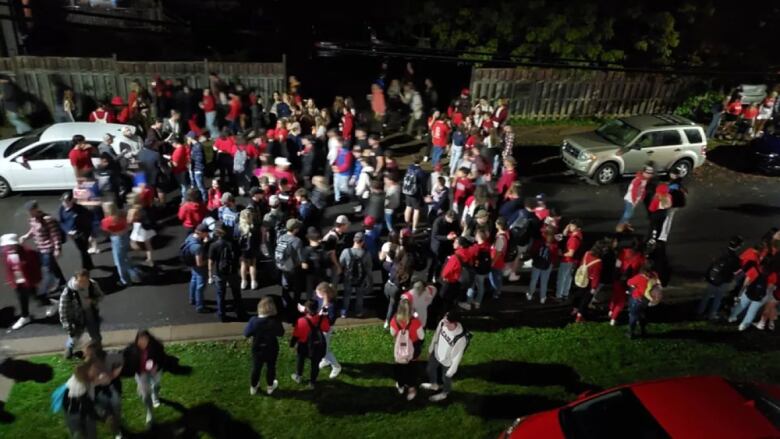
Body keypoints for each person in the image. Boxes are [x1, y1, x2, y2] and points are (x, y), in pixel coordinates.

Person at [1, 233, 50, 330]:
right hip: (18, 281)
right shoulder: (6, 253)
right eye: (6, 246)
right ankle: (25, 316)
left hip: (29, 280)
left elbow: (37, 267)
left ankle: (51, 304)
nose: (8, 247)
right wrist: (11, 280)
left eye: (11, 245)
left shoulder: (29, 252)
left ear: (16, 244)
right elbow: (9, 267)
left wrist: (38, 279)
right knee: (22, 297)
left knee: (36, 296)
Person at [21, 200, 66, 299]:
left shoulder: (47, 219)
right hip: (41, 248)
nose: (29, 213)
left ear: (36, 209)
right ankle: (62, 283)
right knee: (54, 267)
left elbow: (55, 235)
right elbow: (33, 229)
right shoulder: (32, 219)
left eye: (31, 211)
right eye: (28, 211)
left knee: (47, 270)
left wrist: (57, 249)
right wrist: (26, 236)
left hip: (48, 249)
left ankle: (44, 291)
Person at [421, 310, 469, 402]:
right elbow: (436, 335)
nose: (443, 320)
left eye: (446, 320)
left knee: (445, 378)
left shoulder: (460, 339)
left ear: (453, 322)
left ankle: (445, 393)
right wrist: (431, 348)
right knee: (430, 369)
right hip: (436, 353)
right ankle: (434, 385)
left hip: (447, 361)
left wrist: (452, 370)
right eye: (444, 318)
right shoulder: (443, 323)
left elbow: (458, 355)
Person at [123, 330, 165, 425]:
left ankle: (155, 393)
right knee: (145, 395)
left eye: (145, 339)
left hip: (155, 371)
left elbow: (162, 358)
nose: (142, 342)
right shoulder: (132, 349)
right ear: (136, 340)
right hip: (141, 373)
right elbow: (123, 357)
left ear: (149, 339)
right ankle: (150, 412)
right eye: (140, 339)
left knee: (156, 385)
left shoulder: (156, 346)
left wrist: (157, 366)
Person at [59, 269, 104, 359]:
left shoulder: (93, 285)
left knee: (96, 336)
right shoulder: (68, 292)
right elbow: (63, 311)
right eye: (80, 281)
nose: (83, 284)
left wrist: (93, 300)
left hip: (89, 312)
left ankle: (97, 353)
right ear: (75, 279)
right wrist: (67, 325)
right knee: (74, 337)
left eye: (85, 281)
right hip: (76, 317)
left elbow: (100, 296)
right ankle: (68, 354)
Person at [244, 297, 284, 395]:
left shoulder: (254, 321)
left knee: (256, 367)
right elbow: (281, 333)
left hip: (257, 348)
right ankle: (270, 387)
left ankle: (254, 387)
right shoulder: (275, 322)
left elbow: (246, 333)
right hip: (272, 348)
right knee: (271, 367)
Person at [698, 236, 743, 320]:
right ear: (738, 246)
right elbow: (736, 271)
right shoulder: (736, 259)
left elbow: (713, 263)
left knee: (706, 296)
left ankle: (699, 312)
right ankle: (711, 315)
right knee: (718, 298)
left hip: (713, 278)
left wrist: (707, 275)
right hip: (723, 281)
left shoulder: (721, 252)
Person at [208, 223, 247, 322]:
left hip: (219, 273)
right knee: (236, 294)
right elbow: (240, 258)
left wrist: (210, 275)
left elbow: (211, 262)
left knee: (220, 294)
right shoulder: (233, 243)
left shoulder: (214, 245)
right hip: (232, 271)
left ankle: (222, 315)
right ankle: (240, 313)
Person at [289, 300, 331, 390]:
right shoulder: (322, 319)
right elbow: (326, 329)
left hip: (303, 345)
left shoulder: (301, 320)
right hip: (316, 346)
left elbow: (296, 335)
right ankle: (312, 383)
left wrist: (292, 344)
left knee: (300, 359)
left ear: (306, 309)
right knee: (315, 365)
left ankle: (298, 376)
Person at [390, 297, 425, 401]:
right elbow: (422, 336)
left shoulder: (394, 320)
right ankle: (411, 389)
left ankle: (400, 385)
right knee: (412, 370)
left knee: (399, 369)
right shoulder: (415, 322)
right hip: (412, 350)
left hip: (400, 350)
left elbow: (392, 333)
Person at [728, 257, 774, 331]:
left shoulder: (755, 269)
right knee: (752, 312)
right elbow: (770, 287)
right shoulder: (772, 274)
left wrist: (743, 289)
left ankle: (732, 317)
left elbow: (747, 281)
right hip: (760, 296)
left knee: (741, 306)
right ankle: (743, 325)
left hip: (749, 292)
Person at [62, 360, 105, 439]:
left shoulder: (86, 378)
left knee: (90, 431)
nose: (97, 372)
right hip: (74, 413)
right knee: (79, 433)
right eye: (93, 370)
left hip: (83, 409)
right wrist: (101, 417)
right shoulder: (79, 387)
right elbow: (87, 405)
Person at [101, 202, 140, 286]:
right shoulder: (122, 214)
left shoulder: (106, 221)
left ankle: (125, 280)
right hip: (125, 237)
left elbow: (106, 232)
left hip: (116, 239)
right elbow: (128, 225)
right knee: (126, 257)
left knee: (119, 261)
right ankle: (136, 274)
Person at [339, 231, 373, 318]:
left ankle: (344, 312)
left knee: (346, 295)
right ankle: (359, 312)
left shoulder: (346, 251)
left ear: (354, 240)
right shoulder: (366, 254)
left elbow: (341, 264)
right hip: (361, 278)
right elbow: (369, 269)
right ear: (363, 242)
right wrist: (370, 281)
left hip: (348, 277)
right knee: (359, 296)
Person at [59, 192, 94, 271]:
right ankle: (90, 264)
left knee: (82, 249)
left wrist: (87, 233)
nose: (64, 203)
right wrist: (67, 231)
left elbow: (90, 218)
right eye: (63, 201)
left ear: (72, 200)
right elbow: (61, 222)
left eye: (67, 201)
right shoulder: (62, 209)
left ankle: (85, 268)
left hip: (82, 233)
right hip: (72, 234)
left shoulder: (80, 210)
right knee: (81, 249)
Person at [314, 282, 342, 379]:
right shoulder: (321, 299)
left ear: (324, 294)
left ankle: (336, 367)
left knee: (324, 350)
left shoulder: (332, 306)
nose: (316, 295)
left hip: (326, 329)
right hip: (320, 328)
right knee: (323, 347)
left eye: (318, 294)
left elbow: (331, 321)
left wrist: (322, 315)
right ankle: (325, 360)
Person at [275, 219, 304, 313]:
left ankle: (285, 306)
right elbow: (300, 258)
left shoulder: (281, 237)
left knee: (285, 287)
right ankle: (296, 308)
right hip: (293, 267)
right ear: (295, 229)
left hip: (282, 265)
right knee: (297, 288)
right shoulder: (297, 241)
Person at [626, 262, 661, 339]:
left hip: (637, 300)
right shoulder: (655, 275)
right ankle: (643, 330)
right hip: (647, 300)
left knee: (633, 316)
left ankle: (631, 332)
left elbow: (629, 282)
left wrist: (634, 286)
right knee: (642, 315)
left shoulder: (639, 278)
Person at [572, 242, 605, 323]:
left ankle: (574, 309)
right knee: (585, 299)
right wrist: (594, 287)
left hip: (581, 277)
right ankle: (579, 316)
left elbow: (581, 264)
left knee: (578, 294)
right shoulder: (598, 261)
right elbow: (596, 276)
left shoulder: (587, 253)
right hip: (589, 281)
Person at [181, 223, 210, 313]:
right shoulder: (198, 247)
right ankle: (200, 306)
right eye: (206, 233)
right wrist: (209, 261)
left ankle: (192, 299)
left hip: (191, 264)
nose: (208, 234)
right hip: (200, 268)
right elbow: (200, 263)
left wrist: (204, 242)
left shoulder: (190, 237)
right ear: (201, 233)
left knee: (193, 280)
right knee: (200, 286)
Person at [526, 228, 560, 304]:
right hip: (547, 265)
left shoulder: (539, 242)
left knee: (534, 280)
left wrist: (534, 259)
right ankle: (543, 297)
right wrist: (552, 264)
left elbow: (533, 251)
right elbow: (554, 257)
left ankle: (530, 294)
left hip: (537, 263)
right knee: (544, 281)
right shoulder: (554, 245)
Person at [617, 165, 653, 232]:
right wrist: (634, 200)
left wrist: (641, 197)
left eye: (650, 173)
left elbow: (642, 190)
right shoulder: (638, 180)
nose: (649, 175)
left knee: (629, 213)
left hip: (634, 200)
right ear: (643, 172)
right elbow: (634, 190)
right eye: (647, 173)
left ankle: (625, 224)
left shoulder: (644, 180)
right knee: (628, 213)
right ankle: (620, 226)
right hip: (630, 199)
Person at [555, 219, 583, 301]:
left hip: (567, 260)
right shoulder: (578, 235)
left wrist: (560, 254)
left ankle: (558, 295)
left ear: (578, 228)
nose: (570, 227)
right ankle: (565, 294)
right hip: (573, 262)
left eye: (572, 226)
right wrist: (565, 230)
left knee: (561, 278)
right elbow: (559, 237)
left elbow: (571, 253)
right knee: (568, 278)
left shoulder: (573, 239)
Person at [402, 155, 427, 232]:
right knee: (416, 210)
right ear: (421, 161)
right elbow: (423, 184)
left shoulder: (409, 167)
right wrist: (424, 194)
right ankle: (414, 228)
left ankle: (407, 224)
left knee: (408, 207)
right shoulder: (421, 172)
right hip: (416, 193)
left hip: (407, 191)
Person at [238, 208, 261, 290]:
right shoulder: (255, 227)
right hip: (253, 248)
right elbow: (259, 239)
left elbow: (235, 237)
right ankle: (253, 282)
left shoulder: (239, 227)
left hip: (243, 249)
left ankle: (243, 282)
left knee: (243, 264)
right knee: (252, 264)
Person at [186, 131, 207, 201]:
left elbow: (200, 159)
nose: (187, 139)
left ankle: (204, 199)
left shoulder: (198, 146)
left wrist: (191, 161)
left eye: (188, 137)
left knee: (200, 185)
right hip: (194, 168)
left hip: (198, 169)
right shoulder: (192, 146)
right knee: (195, 184)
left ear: (191, 138)